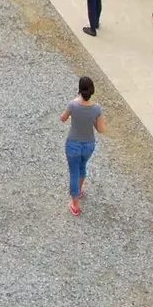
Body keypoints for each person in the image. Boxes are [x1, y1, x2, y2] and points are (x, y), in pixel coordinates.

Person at [60, 75, 107, 214]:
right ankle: (79, 190)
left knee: (73, 172)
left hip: (73, 143)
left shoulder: (72, 105)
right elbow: (101, 129)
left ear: (79, 89)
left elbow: (62, 118)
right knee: (82, 167)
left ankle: (75, 204)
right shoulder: (96, 108)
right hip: (88, 145)